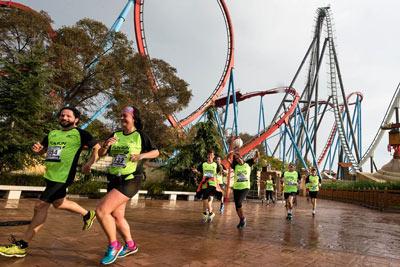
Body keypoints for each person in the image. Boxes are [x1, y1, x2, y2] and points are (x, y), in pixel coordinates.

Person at [0, 106, 100, 258]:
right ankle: (87, 214)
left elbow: (97, 148)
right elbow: (43, 150)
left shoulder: (81, 134)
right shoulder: (52, 134)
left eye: (68, 116)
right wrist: (37, 150)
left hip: (64, 176)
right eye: (62, 115)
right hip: (51, 175)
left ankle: (22, 245)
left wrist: (88, 165)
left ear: (76, 119)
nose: (64, 118)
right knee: (59, 203)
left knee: (40, 206)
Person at [96, 106, 159, 265]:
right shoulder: (115, 135)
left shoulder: (140, 136)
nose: (122, 118)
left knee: (102, 211)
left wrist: (140, 156)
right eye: (121, 116)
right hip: (114, 179)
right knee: (117, 216)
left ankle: (114, 245)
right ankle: (130, 245)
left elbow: (156, 152)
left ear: (134, 118)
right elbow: (101, 154)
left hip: (131, 179)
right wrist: (106, 146)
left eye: (125, 116)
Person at [227, 149, 260, 229]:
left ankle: (243, 218)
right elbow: (228, 160)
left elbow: (257, 156)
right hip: (236, 187)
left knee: (239, 202)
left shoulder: (248, 163)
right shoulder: (235, 166)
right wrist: (229, 154)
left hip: (245, 187)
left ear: (241, 157)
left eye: (239, 157)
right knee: (236, 206)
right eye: (236, 158)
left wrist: (256, 151)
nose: (238, 159)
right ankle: (241, 220)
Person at [192, 150, 222, 223]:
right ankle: (211, 213)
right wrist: (196, 172)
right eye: (209, 154)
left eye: (211, 154)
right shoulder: (203, 164)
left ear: (213, 156)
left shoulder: (215, 164)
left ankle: (205, 213)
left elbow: (219, 172)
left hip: (212, 183)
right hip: (204, 183)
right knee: (206, 199)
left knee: (205, 197)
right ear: (207, 155)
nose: (210, 156)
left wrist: (220, 173)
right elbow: (200, 173)